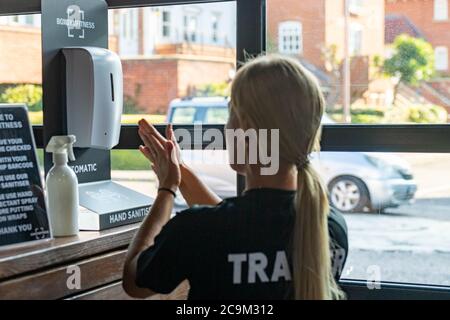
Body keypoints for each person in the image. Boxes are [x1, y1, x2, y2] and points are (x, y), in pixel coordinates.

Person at [122, 55, 348, 300]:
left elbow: (135, 281)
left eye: (230, 113)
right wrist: (180, 173)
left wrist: (167, 189)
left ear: (245, 129)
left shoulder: (198, 229)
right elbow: (242, 231)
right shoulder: (329, 226)